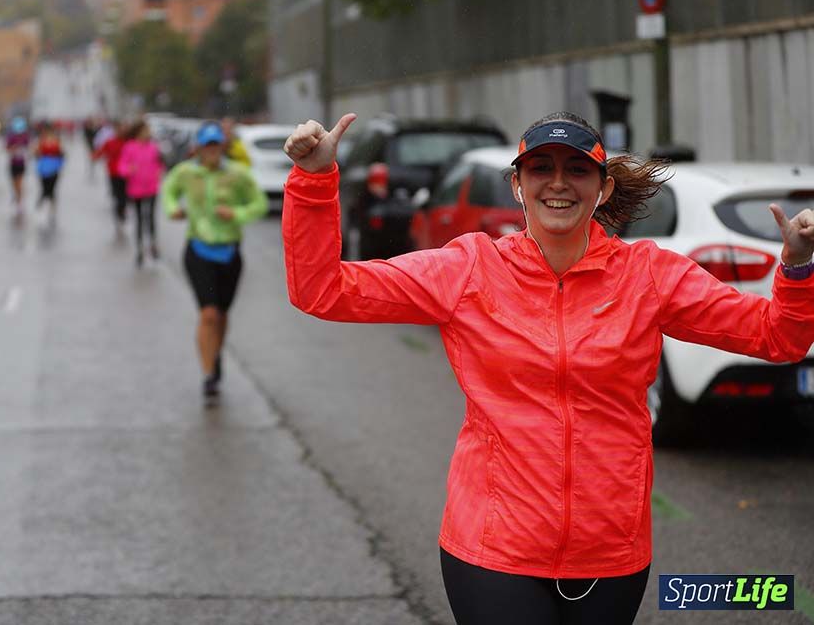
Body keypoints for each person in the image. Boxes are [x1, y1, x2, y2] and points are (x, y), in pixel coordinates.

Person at [281, 111, 814, 625]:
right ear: (518, 185)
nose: (558, 183)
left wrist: (797, 268)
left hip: (611, 551)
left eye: (577, 169)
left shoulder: (649, 275)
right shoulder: (468, 268)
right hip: (494, 548)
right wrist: (313, 179)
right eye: (541, 168)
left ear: (603, 189)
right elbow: (323, 291)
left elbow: (778, 336)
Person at [161, 121, 268, 404]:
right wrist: (173, 209)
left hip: (230, 253)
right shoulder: (186, 173)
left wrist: (236, 213)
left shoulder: (238, 174)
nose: (211, 151)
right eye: (206, 145)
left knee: (221, 315)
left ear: (222, 146)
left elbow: (259, 204)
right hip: (198, 250)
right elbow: (168, 190)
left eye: (215, 145)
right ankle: (209, 375)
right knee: (208, 314)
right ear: (198, 147)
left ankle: (215, 354)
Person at [118, 121, 165, 266]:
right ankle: (139, 249)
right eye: (145, 130)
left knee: (150, 217)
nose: (148, 133)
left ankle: (152, 245)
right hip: (136, 188)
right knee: (139, 219)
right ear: (138, 132)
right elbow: (122, 166)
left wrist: (159, 172)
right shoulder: (129, 147)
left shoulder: (153, 147)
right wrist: (129, 170)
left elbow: (159, 163)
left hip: (151, 187)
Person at [93, 121, 129, 235]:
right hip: (113, 172)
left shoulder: (127, 142)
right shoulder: (110, 142)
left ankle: (122, 211)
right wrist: (94, 156)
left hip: (126, 173)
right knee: (117, 194)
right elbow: (101, 151)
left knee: (124, 195)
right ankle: (118, 213)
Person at [34, 122, 66, 218]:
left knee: (52, 188)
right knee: (44, 187)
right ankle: (44, 200)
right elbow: (36, 154)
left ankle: (52, 208)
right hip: (43, 168)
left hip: (54, 168)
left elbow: (62, 153)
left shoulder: (57, 141)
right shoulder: (41, 141)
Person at [4, 116, 30, 213]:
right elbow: (6, 148)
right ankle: (17, 196)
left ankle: (19, 202)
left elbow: (28, 148)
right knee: (14, 184)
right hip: (13, 164)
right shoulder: (11, 137)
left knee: (19, 183)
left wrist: (23, 151)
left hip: (21, 164)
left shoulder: (25, 137)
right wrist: (13, 149)